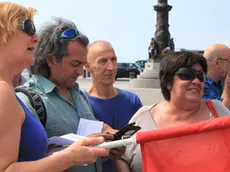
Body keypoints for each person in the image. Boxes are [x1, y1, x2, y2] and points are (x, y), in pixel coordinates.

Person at [0, 2, 109, 172]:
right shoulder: (5, 92)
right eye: (27, 27)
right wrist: (68, 157)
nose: (36, 37)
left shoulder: (78, 94)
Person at [16, 17, 124, 172]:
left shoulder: (79, 94)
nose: (81, 71)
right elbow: (23, 161)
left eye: (82, 64)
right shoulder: (27, 100)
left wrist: (108, 147)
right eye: (75, 64)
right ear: (51, 60)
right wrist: (72, 152)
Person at [117, 51, 230, 172]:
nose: (196, 81)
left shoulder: (218, 111)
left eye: (200, 76)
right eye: (187, 75)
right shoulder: (143, 116)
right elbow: (120, 155)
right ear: (168, 82)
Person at [84, 40, 142, 172]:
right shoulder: (81, 102)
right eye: (102, 61)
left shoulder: (132, 100)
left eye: (113, 60)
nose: (111, 67)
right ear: (88, 66)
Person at [202, 44, 230, 109]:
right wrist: (228, 87)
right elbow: (219, 113)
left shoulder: (219, 82)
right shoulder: (200, 84)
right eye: (229, 61)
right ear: (217, 63)